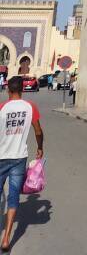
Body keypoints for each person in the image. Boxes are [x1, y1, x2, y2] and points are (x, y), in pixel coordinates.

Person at [0, 75, 44, 252]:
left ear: (8, 90)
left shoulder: (2, 108)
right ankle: (6, 238)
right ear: (23, 90)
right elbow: (38, 131)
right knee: (13, 198)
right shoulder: (30, 107)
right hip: (19, 158)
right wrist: (40, 147)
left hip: (1, 156)